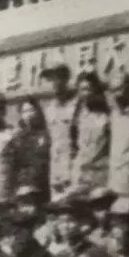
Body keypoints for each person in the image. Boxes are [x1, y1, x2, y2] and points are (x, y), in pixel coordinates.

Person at [41, 63, 78, 197]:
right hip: (55, 171)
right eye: (51, 79)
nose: (54, 83)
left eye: (57, 78)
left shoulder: (76, 106)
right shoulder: (48, 110)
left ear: (66, 79)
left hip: (72, 169)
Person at [71, 71, 110, 191]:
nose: (85, 94)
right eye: (82, 90)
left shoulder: (104, 115)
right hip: (80, 173)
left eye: (88, 89)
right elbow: (74, 144)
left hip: (100, 173)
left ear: (95, 90)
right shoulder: (77, 115)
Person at [9, 99, 51, 198]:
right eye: (24, 111)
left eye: (31, 110)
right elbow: (14, 164)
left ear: (38, 111)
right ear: (21, 115)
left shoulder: (45, 135)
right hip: (23, 188)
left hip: (42, 186)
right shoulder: (17, 137)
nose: (28, 114)